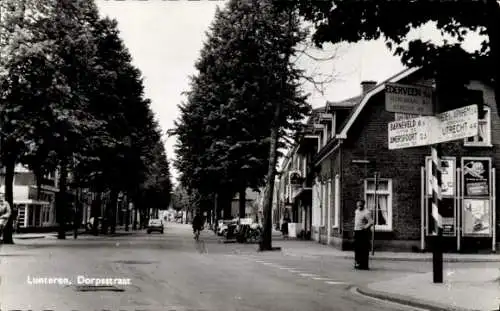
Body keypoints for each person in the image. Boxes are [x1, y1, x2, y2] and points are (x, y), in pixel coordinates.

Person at [354, 199, 373, 270]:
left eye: (360, 205)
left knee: (364, 249)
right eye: (358, 205)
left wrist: (365, 227)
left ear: (363, 205)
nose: (359, 207)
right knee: (357, 249)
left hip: (363, 233)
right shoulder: (356, 211)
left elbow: (371, 222)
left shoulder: (367, 212)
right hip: (357, 232)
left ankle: (364, 265)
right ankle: (357, 263)